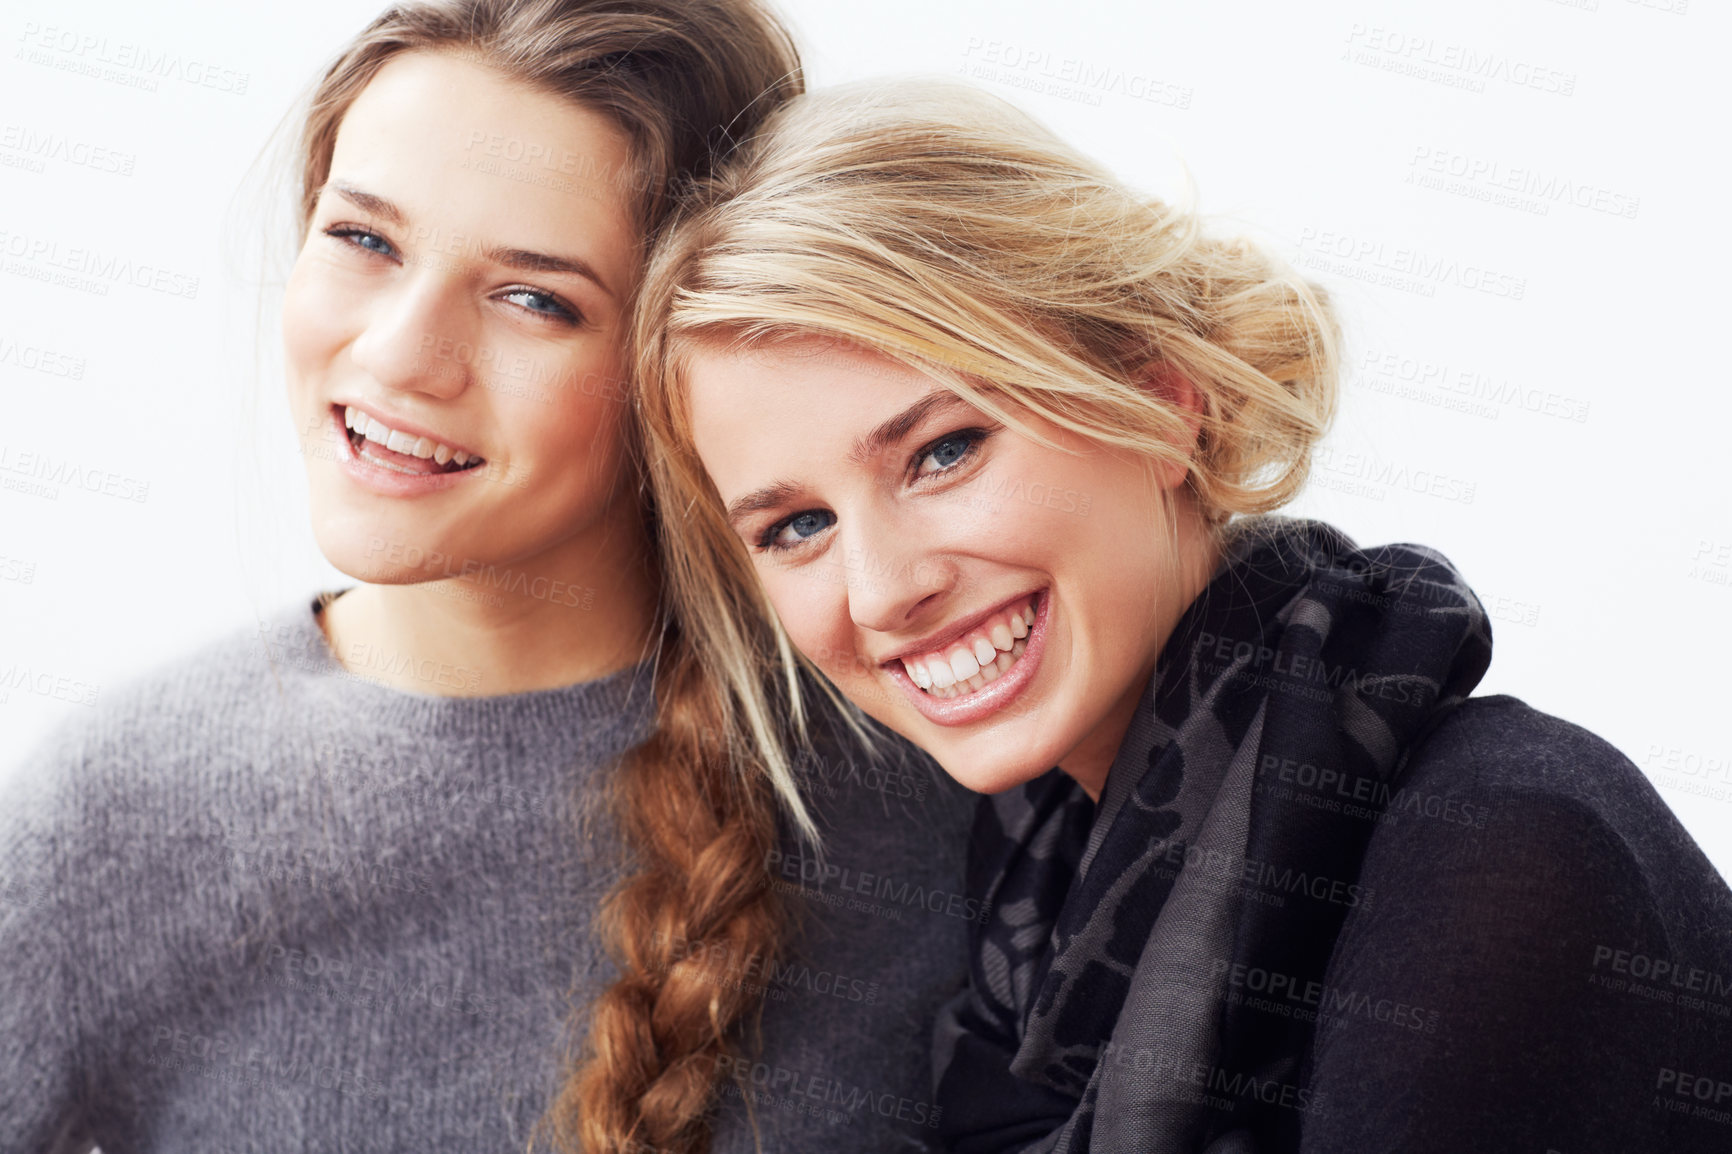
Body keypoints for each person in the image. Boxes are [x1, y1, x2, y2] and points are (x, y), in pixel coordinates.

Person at [630, 79, 1732, 1152]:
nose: (880, 589)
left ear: (1161, 399)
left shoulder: (1502, 861)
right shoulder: (1021, 933)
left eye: (943, 451)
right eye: (795, 527)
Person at [0, 8, 974, 1152]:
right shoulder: (112, 817)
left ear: (683, 359)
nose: (402, 352)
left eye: (535, 297)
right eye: (363, 239)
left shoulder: (928, 758)